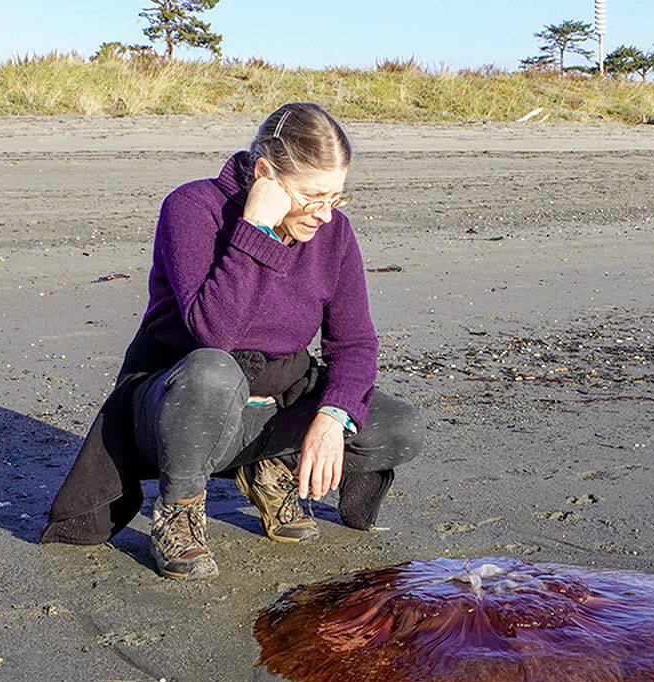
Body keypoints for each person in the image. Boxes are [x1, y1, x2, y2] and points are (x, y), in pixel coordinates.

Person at [40, 102, 424, 578]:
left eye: (337, 197)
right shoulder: (192, 209)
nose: (325, 215)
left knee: (398, 426)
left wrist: (333, 416)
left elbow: (355, 343)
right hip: (177, 403)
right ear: (265, 174)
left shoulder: (335, 234)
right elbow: (214, 332)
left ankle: (268, 466)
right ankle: (178, 513)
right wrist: (256, 230)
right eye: (313, 197)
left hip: (270, 402)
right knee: (214, 372)